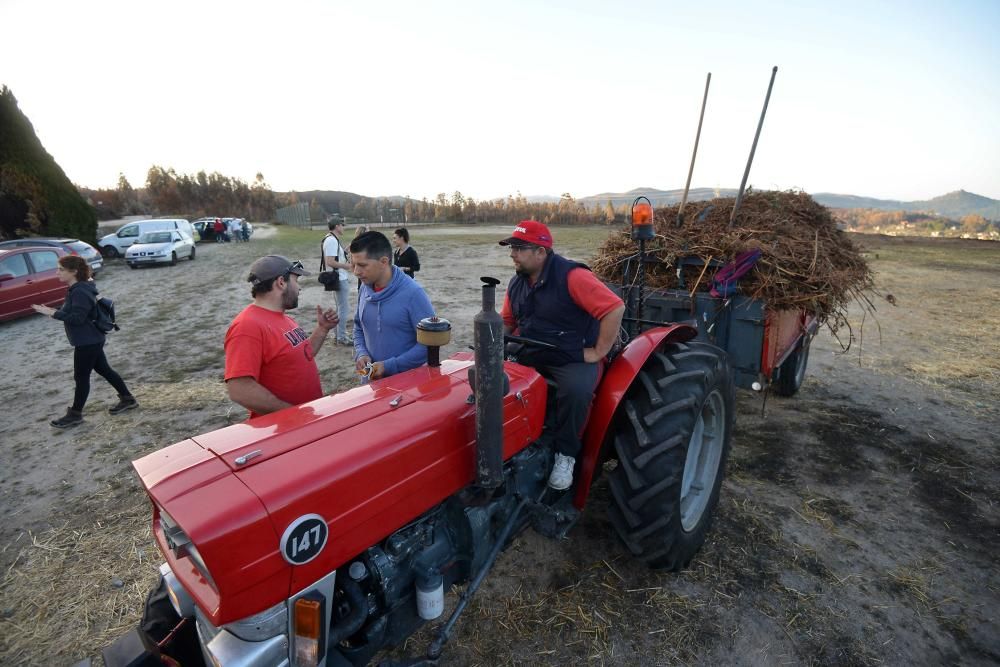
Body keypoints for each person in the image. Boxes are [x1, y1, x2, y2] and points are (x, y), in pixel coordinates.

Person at [499, 220, 625, 490]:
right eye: (512, 248)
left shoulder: (572, 277)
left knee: (577, 390)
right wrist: (492, 346)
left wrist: (598, 351)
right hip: (532, 348)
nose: (512, 254)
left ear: (541, 252)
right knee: (498, 380)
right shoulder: (517, 282)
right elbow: (508, 320)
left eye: (519, 248)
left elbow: (614, 308)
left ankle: (566, 455)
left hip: (569, 355)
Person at [224, 255, 339, 418]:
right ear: (281, 282)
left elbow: (303, 355)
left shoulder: (283, 318)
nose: (299, 288)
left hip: (306, 421)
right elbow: (239, 390)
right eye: (296, 281)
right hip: (285, 429)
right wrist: (293, 414)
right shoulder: (247, 326)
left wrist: (322, 329)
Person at [31, 256, 137, 428]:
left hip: (88, 341)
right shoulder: (77, 288)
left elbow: (78, 319)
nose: (57, 272)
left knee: (81, 377)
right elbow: (75, 312)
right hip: (91, 338)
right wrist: (53, 311)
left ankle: (75, 414)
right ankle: (128, 399)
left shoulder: (80, 291)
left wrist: (53, 313)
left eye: (60, 269)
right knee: (104, 370)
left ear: (73, 272)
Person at [350, 231, 435, 381]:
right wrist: (361, 352)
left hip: (405, 388)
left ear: (383, 262)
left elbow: (430, 344)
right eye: (353, 264)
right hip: (371, 383)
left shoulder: (413, 294)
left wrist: (388, 366)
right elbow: (358, 327)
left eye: (362, 265)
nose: (356, 271)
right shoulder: (364, 288)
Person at [322, 220, 353, 345]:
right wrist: (347, 266)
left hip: (339, 277)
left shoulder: (332, 239)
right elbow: (330, 261)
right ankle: (341, 337)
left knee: (340, 308)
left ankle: (339, 334)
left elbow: (336, 257)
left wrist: (346, 250)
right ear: (337, 226)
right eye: (342, 225)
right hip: (339, 278)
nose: (343, 228)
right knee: (343, 309)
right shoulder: (331, 240)